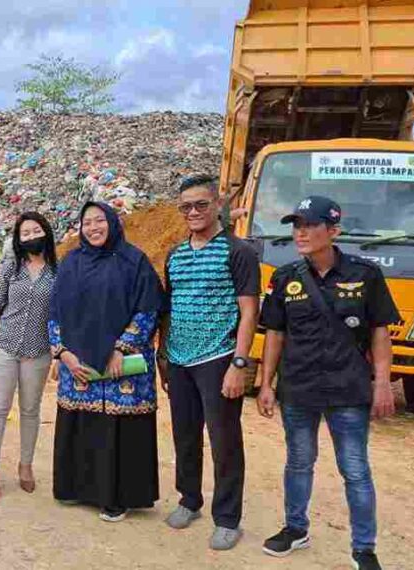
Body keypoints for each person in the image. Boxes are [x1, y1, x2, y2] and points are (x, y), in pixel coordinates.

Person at [256, 196, 398, 570]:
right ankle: (295, 528)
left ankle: (364, 548)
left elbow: (380, 332)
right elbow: (275, 334)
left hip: (348, 389)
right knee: (298, 462)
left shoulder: (365, 275)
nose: (300, 232)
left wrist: (382, 382)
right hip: (298, 388)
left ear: (333, 231)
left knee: (355, 469)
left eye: (309, 225)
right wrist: (265, 383)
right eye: (296, 225)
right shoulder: (285, 278)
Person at [158, 175, 259, 550]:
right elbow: (169, 309)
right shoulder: (175, 255)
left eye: (201, 204)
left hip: (218, 359)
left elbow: (249, 311)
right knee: (185, 435)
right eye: (186, 207)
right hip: (180, 360)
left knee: (224, 440)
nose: (194, 212)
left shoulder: (239, 252)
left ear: (218, 205)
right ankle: (189, 499)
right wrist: (163, 355)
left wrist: (239, 362)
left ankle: (228, 518)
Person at [49, 201, 163, 522]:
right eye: (87, 222)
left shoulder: (134, 261)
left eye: (100, 221)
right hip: (79, 364)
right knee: (82, 426)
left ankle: (116, 497)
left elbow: (148, 309)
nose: (94, 228)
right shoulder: (71, 262)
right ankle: (76, 488)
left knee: (118, 430)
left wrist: (122, 348)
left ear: (113, 223)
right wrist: (63, 353)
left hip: (120, 367)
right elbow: (56, 311)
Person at [0, 212, 58, 501]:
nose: (31, 236)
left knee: (30, 410)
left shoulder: (57, 273)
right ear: (18, 239)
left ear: (46, 233)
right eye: (25, 233)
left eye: (36, 230)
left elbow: (61, 316)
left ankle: (26, 466)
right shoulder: (11, 268)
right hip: (5, 346)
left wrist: (59, 355)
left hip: (38, 352)